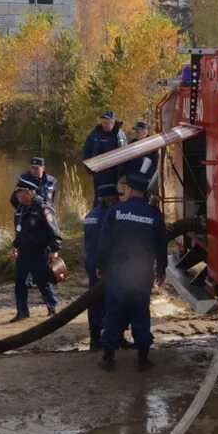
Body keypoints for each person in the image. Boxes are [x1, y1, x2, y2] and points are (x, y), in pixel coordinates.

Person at [96, 173, 167, 371]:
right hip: (142, 274)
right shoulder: (154, 214)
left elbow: (104, 243)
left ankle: (108, 358)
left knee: (114, 312)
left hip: (118, 273)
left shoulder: (116, 211)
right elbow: (161, 245)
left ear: (129, 190)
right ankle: (142, 359)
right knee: (140, 313)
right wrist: (161, 270)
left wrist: (101, 266)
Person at [10, 176, 61, 321]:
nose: (18, 195)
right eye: (17, 192)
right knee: (20, 282)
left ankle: (52, 308)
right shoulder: (20, 209)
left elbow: (54, 231)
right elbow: (19, 231)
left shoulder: (43, 207)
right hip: (24, 252)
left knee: (42, 281)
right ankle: (22, 312)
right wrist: (15, 246)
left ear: (31, 192)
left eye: (21, 192)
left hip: (40, 251)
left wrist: (54, 249)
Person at [83, 183, 121, 349]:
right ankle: (113, 338)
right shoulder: (110, 216)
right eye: (117, 197)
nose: (119, 200)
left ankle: (94, 338)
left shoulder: (90, 214)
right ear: (110, 199)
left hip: (91, 261)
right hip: (106, 263)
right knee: (112, 301)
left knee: (94, 300)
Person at [82, 110, 127, 188]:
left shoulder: (121, 135)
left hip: (115, 174)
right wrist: (88, 168)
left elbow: (126, 153)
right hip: (99, 173)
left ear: (113, 123)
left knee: (113, 198)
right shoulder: (95, 134)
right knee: (99, 197)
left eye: (106, 123)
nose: (104, 125)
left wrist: (123, 171)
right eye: (103, 123)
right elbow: (86, 150)